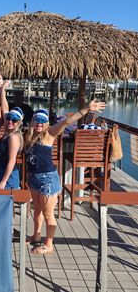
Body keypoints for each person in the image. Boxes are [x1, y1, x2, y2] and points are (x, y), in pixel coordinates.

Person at [24, 99, 106, 254]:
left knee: (48, 214)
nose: (39, 123)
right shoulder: (30, 136)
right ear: (33, 121)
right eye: (37, 120)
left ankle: (49, 245)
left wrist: (86, 110)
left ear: (47, 123)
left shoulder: (49, 133)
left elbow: (67, 122)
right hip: (34, 178)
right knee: (37, 211)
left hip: (47, 180)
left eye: (43, 120)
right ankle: (36, 236)